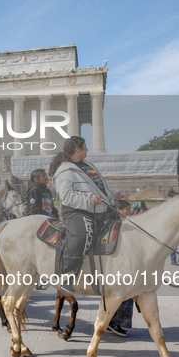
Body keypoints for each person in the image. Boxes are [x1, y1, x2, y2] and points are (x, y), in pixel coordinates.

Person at [50, 136, 123, 293]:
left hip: (97, 208)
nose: (88, 149)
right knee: (82, 234)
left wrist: (114, 194)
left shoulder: (87, 165)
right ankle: (66, 275)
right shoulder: (64, 170)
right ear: (77, 148)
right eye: (85, 146)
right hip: (76, 211)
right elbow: (68, 197)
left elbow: (98, 189)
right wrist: (90, 200)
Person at [107, 199, 133, 336]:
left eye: (130, 209)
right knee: (124, 293)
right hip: (115, 266)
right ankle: (112, 322)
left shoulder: (125, 223)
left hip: (124, 264)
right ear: (119, 211)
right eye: (127, 209)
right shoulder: (115, 225)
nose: (130, 211)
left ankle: (114, 321)